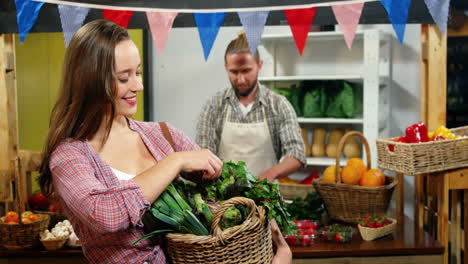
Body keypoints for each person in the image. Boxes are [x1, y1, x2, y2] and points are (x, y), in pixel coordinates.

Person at [38, 20, 291, 264]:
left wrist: (280, 244)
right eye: (124, 78)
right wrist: (176, 161)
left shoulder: (162, 134)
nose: (138, 85)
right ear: (90, 81)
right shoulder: (69, 156)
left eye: (137, 72)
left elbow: (233, 187)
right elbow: (105, 214)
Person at [196, 31, 306, 182]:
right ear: (226, 67)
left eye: (246, 71)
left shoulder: (278, 105)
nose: (240, 79)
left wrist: (269, 175)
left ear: (259, 66)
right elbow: (203, 153)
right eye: (234, 72)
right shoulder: (214, 105)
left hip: (265, 198)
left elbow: (297, 154)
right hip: (224, 199)